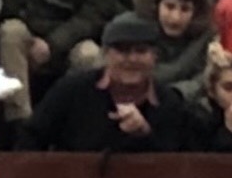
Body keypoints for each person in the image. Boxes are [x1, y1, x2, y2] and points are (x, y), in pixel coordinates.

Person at [24, 12, 198, 152]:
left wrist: (144, 135)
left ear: (155, 57)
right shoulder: (71, 91)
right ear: (105, 55)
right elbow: (30, 138)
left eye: (141, 51)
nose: (132, 59)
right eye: (122, 51)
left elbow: (178, 164)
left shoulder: (169, 103)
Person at [143, 0, 213, 89]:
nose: (176, 18)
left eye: (185, 9)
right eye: (170, 7)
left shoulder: (207, 37)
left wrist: (179, 92)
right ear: (156, 5)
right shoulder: (134, 30)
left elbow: (208, 76)